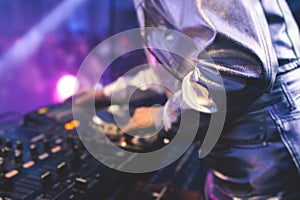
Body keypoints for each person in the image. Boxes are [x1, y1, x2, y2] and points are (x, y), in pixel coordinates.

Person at [75, 0, 300, 199]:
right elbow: (174, 69)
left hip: (266, 158)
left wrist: (161, 117)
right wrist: (108, 93)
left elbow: (236, 68)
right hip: (247, 156)